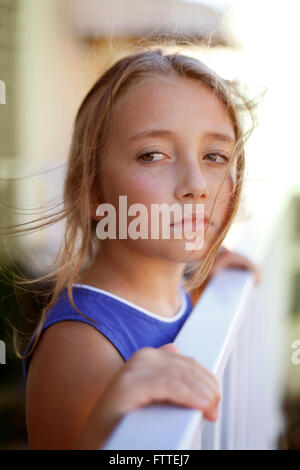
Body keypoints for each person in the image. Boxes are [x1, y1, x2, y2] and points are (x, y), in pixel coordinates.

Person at [9, 47, 260, 449]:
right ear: (91, 190)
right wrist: (108, 417)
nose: (197, 184)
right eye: (153, 155)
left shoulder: (172, 288)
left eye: (215, 156)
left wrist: (202, 279)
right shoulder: (80, 346)